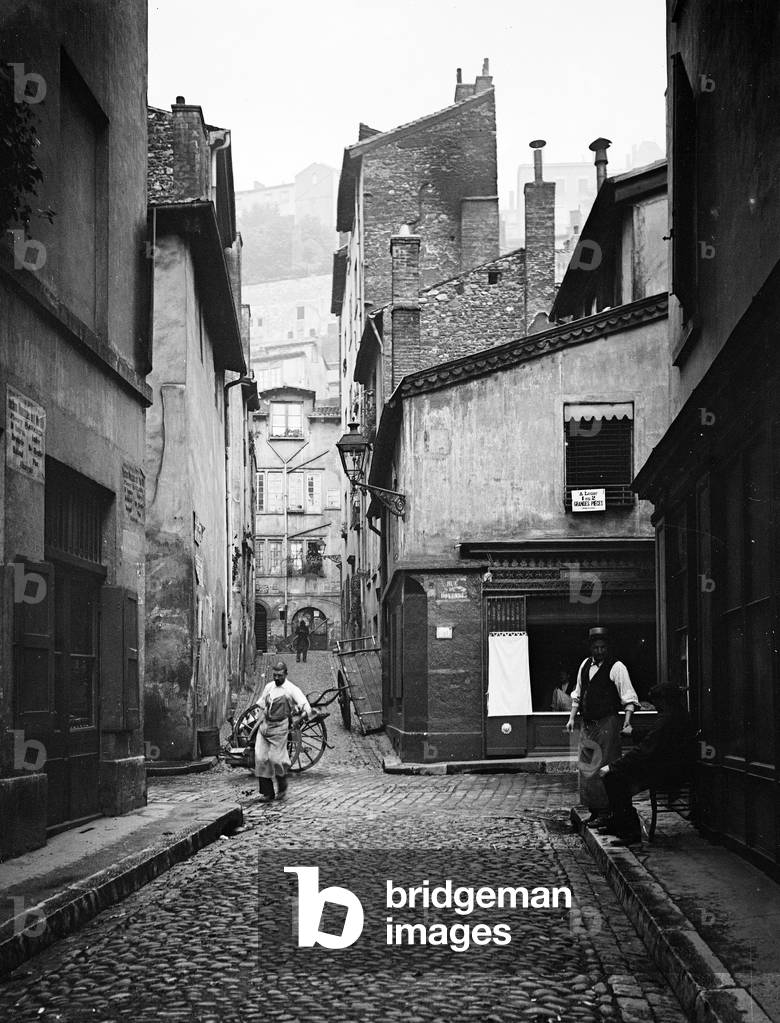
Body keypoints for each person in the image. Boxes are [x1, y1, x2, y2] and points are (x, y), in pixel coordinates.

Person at [596, 681, 697, 844]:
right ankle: (619, 822)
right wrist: (634, 733)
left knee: (614, 778)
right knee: (617, 776)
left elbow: (645, 749)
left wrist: (612, 766)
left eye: (656, 702)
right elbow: (654, 737)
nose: (655, 706)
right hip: (672, 766)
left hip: (668, 771)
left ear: (664, 700)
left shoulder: (667, 719)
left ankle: (630, 830)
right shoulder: (675, 714)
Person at [565, 626, 638, 826]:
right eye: (596, 647)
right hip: (588, 724)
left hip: (608, 723)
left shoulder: (617, 667)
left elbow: (628, 697)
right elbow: (578, 694)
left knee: (605, 765)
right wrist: (572, 718)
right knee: (587, 765)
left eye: (603, 647)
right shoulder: (585, 665)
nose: (599, 651)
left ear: (608, 647)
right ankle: (595, 810)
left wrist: (627, 721)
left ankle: (607, 811)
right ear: (590, 648)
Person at [253, 660, 312, 801]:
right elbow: (260, 704)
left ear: (286, 674)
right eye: (274, 675)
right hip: (265, 727)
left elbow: (306, 707)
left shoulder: (292, 689)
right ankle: (268, 793)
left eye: (279, 675)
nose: (276, 678)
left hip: (279, 729)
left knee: (276, 760)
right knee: (261, 758)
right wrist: (256, 718)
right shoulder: (269, 687)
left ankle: (282, 786)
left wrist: (300, 717)